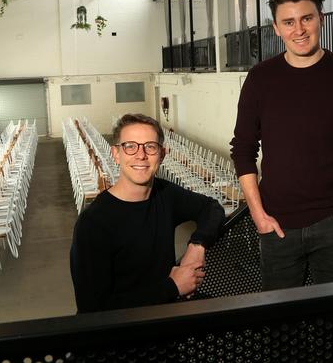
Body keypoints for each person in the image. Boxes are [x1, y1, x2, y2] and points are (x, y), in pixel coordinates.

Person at [230, 0, 333, 290]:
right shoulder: (260, 78)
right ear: (276, 28)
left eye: (307, 18)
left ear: (321, 19)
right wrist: (258, 215)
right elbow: (243, 149)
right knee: (281, 326)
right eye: (288, 22)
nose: (299, 29)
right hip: (276, 226)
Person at [70, 113, 225, 312]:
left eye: (150, 147)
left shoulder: (165, 194)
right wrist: (171, 287)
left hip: (165, 317)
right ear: (116, 154)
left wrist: (197, 246)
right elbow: (92, 308)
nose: (141, 155)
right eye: (130, 146)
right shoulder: (93, 223)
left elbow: (212, 208)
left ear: (162, 154)